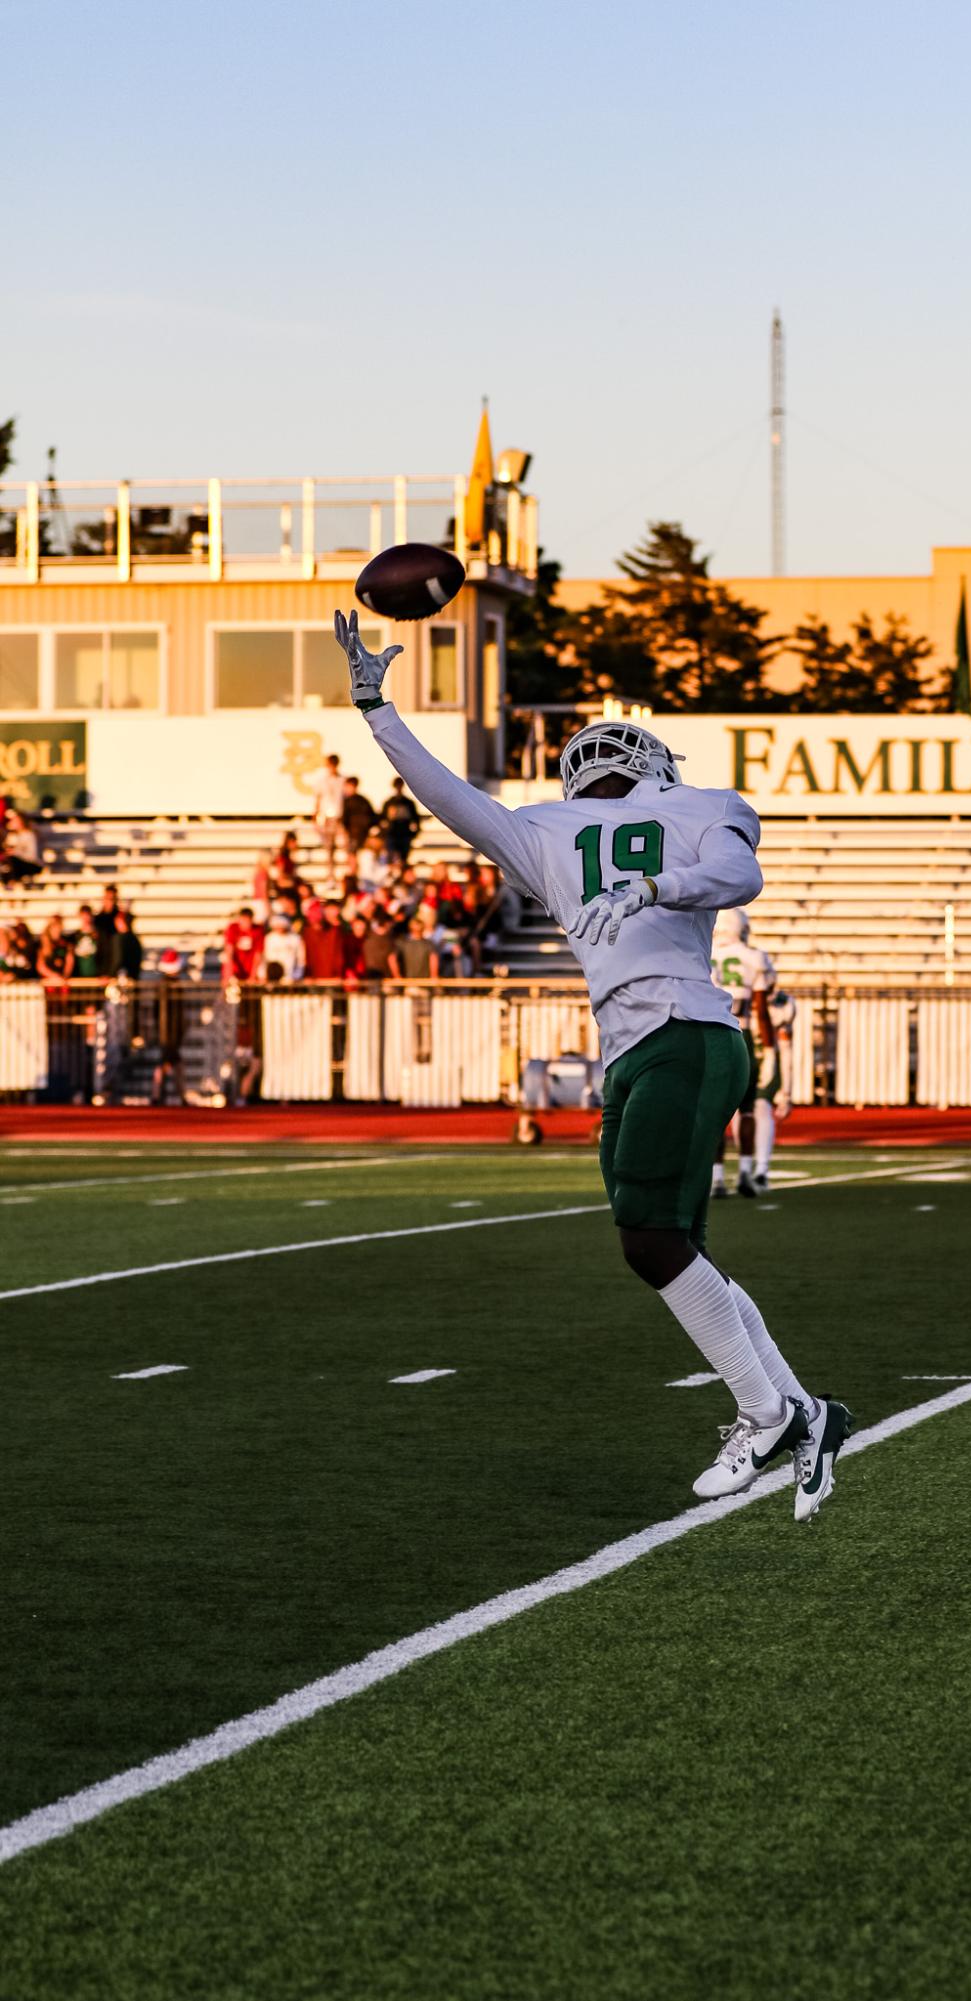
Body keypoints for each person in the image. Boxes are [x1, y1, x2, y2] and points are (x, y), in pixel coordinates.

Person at [334, 606, 851, 1521]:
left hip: (684, 1035)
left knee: (649, 1239)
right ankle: (807, 1412)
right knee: (673, 1244)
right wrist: (375, 709)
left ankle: (764, 1411)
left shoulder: (603, 823)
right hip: (652, 1049)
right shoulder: (656, 811)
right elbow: (448, 797)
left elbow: (739, 883)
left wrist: (655, 884)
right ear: (650, 758)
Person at [709, 908, 777, 1199]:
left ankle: (716, 1178)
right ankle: (746, 1172)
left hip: (710, 1032)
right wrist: (770, 1050)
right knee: (746, 1109)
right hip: (743, 1034)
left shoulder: (703, 952)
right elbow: (761, 1010)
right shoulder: (755, 957)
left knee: (714, 1112)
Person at [754, 988, 796, 1192]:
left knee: (761, 1107)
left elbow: (786, 1047)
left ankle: (761, 1169)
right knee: (739, 1113)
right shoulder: (736, 994)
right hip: (745, 1054)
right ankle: (734, 1171)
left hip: (768, 1061)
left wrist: (786, 1091)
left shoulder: (782, 1003)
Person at [152, 949, 186, 1105]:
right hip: (169, 1030)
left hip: (170, 1030)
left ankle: (176, 1096)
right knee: (167, 1063)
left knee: (174, 1064)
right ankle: (157, 1094)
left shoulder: (167, 984)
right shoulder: (168, 985)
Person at [312, 752, 346, 885]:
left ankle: (345, 876)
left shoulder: (342, 780)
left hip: (340, 817)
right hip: (327, 817)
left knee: (344, 846)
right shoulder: (322, 781)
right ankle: (331, 876)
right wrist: (315, 814)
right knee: (329, 848)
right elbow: (318, 798)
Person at [381, 776, 421, 867]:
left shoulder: (408, 803)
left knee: (403, 859)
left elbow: (416, 820)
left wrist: (413, 834)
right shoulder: (389, 803)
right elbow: (382, 820)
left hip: (404, 835)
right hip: (392, 834)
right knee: (391, 859)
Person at [222, 906, 266, 984]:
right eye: (243, 920)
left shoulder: (258, 931)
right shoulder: (233, 928)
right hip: (235, 968)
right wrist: (229, 973)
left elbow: (258, 954)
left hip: (251, 967)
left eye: (247, 920)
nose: (245, 923)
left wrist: (253, 975)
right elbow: (229, 951)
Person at [261, 911, 305, 983]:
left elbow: (301, 959)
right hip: (271, 978)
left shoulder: (295, 939)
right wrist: (263, 975)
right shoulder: (268, 938)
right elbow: (263, 958)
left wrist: (297, 976)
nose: (279, 927)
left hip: (290, 979)